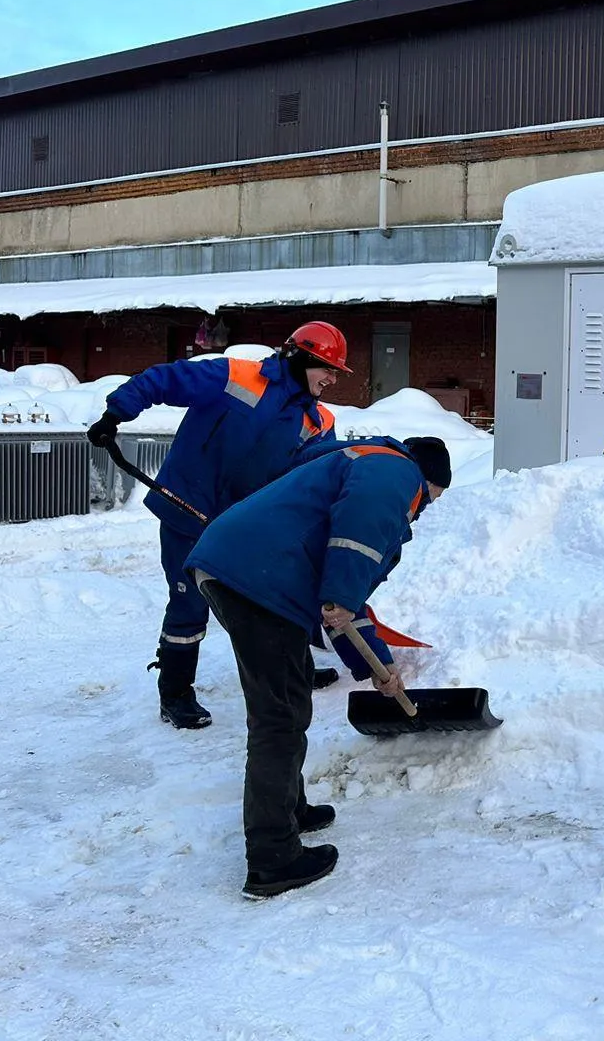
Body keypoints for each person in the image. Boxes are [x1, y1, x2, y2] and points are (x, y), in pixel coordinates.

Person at [186, 434, 453, 898]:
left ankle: (290, 809)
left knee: (288, 704)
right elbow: (355, 544)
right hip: (258, 577)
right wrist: (342, 598)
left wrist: (378, 667)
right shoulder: (394, 470)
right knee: (279, 718)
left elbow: (348, 606)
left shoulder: (364, 465)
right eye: (433, 496)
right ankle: (272, 859)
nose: (425, 507)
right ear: (428, 478)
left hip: (253, 571)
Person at [86, 322, 350, 729]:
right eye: (327, 369)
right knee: (189, 600)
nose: (332, 379)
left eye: (336, 372)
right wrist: (115, 413)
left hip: (243, 526)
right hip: (186, 511)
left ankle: (289, 667)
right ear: (300, 358)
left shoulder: (320, 422)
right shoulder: (233, 376)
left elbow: (311, 476)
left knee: (274, 597)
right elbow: (163, 379)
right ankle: (175, 693)